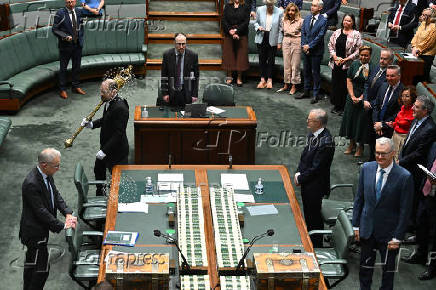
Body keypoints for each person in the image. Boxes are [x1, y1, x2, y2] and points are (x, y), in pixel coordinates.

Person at [352, 137, 414, 290]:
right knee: (365, 271)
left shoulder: (405, 177)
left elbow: (405, 211)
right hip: (367, 230)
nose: (379, 157)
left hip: (389, 235)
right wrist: (356, 226)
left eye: (383, 154)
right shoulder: (366, 168)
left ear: (392, 153)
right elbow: (359, 199)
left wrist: (398, 237)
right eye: (377, 153)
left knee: (388, 274)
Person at [19, 148, 77, 290]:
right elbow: (40, 211)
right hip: (33, 233)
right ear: (44, 165)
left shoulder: (46, 175)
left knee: (33, 266)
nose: (58, 168)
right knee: (40, 271)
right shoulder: (31, 183)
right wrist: (62, 225)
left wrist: (67, 212)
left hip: (39, 231)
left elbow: (55, 195)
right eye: (56, 165)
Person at [81, 79, 129, 196]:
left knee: (118, 181)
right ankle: (100, 194)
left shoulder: (121, 108)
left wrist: (104, 151)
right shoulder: (108, 101)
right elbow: (106, 119)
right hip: (106, 146)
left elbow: (119, 133)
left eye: (104, 92)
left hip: (117, 152)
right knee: (98, 170)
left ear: (114, 91)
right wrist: (92, 124)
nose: (101, 94)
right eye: (101, 91)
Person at [295, 109, 335, 247]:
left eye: (310, 120)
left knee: (314, 218)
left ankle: (316, 246)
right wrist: (298, 172)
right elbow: (305, 156)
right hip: (308, 182)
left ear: (318, 123)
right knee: (309, 215)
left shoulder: (326, 142)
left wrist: (300, 178)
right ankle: (310, 241)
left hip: (315, 187)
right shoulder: (314, 134)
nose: (307, 121)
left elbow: (317, 168)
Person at [398, 95, 436, 229]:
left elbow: (419, 153)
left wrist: (401, 161)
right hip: (405, 164)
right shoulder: (416, 120)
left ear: (425, 111)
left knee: (412, 197)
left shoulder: (430, 128)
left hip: (415, 170)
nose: (413, 108)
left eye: (417, 107)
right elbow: (408, 142)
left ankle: (410, 225)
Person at [403, 142, 436, 281]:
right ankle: (420, 254)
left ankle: (433, 267)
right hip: (427, 192)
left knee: (435, 235)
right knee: (421, 225)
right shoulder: (434, 145)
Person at [339, 46, 373, 158]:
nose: (363, 57)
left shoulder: (372, 68)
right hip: (352, 95)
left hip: (365, 96)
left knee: (361, 122)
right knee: (350, 119)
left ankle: (360, 146)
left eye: (366, 55)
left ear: (370, 56)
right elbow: (349, 80)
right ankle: (351, 144)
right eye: (362, 55)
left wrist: (361, 98)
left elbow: (370, 85)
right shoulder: (354, 64)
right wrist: (352, 95)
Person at [364, 48, 394, 161]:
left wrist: (370, 104)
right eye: (381, 58)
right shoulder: (376, 68)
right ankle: (370, 160)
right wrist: (365, 100)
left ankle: (374, 162)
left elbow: (381, 97)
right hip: (368, 107)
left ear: (391, 61)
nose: (381, 61)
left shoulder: (390, 75)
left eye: (385, 59)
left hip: (376, 111)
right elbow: (367, 83)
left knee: (377, 140)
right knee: (370, 137)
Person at [328, 14, 361, 114]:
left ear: (353, 23)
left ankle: (343, 107)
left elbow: (358, 50)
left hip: (348, 64)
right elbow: (330, 45)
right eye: (345, 20)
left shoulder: (356, 34)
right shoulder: (337, 32)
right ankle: (336, 105)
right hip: (336, 62)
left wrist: (346, 59)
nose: (346, 22)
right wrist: (335, 57)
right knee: (336, 84)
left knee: (344, 85)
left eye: (349, 21)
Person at [52, 0, 86, 99]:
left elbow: (81, 26)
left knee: (76, 66)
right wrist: (65, 36)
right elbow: (54, 29)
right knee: (63, 68)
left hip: (77, 44)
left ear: (75, 2)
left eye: (72, 1)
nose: (70, 4)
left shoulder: (79, 11)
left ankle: (76, 86)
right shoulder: (60, 13)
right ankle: (62, 89)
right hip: (65, 46)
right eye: (68, 2)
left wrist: (81, 38)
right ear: (65, 3)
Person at [296, 0, 327, 104]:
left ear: (320, 8)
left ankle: (315, 94)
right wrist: (304, 46)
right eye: (312, 5)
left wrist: (309, 46)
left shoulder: (323, 20)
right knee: (306, 71)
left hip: (316, 51)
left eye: (314, 6)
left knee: (315, 73)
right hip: (306, 50)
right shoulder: (307, 18)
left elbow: (320, 36)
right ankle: (306, 91)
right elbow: (303, 33)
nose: (312, 7)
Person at [160, 33, 199, 107]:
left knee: (186, 115)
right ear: (174, 43)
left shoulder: (193, 55)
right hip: (172, 90)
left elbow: (196, 77)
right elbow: (164, 75)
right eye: (179, 44)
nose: (181, 47)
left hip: (186, 90)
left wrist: (194, 94)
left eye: (183, 44)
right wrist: (165, 93)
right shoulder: (167, 55)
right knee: (172, 114)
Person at [254, 0, 283, 89]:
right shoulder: (259, 9)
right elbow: (255, 22)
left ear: (274, 3)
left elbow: (281, 28)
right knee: (262, 59)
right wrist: (258, 27)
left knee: (271, 60)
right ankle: (262, 80)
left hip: (273, 38)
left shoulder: (280, 11)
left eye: (271, 5)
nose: (269, 6)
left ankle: (269, 80)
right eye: (267, 4)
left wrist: (279, 42)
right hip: (262, 36)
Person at [222, 0, 251, 86]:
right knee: (229, 56)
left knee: (240, 57)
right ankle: (229, 77)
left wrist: (237, 31)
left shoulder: (246, 6)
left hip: (241, 34)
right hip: (229, 34)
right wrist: (230, 31)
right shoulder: (227, 6)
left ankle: (239, 77)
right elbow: (224, 20)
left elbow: (246, 21)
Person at [277, 2, 303, 95]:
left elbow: (304, 34)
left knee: (295, 65)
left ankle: (294, 85)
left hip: (296, 41)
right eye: (289, 10)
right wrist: (279, 42)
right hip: (286, 40)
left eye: (293, 10)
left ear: (296, 11)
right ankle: (286, 84)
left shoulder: (300, 21)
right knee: (286, 64)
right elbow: (280, 32)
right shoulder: (283, 20)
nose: (291, 12)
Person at [372, 65, 403, 139]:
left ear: (399, 76)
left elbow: (399, 113)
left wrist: (382, 125)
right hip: (376, 125)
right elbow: (376, 105)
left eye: (392, 76)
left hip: (389, 129)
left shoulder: (403, 92)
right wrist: (376, 123)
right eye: (387, 76)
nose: (389, 78)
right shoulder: (383, 85)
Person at [386, 86, 416, 162]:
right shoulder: (402, 107)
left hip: (403, 138)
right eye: (402, 96)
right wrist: (393, 124)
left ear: (412, 97)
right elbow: (398, 121)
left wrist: (396, 123)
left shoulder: (414, 110)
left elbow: (404, 123)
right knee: (391, 157)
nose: (404, 98)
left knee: (399, 160)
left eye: (407, 96)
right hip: (395, 135)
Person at [411, 8, 436, 83]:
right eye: (422, 14)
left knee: (421, 78)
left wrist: (418, 49)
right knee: (413, 75)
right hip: (417, 53)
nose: (423, 17)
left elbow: (429, 42)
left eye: (426, 15)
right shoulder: (423, 24)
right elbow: (416, 36)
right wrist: (414, 46)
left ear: (432, 16)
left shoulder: (434, 27)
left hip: (427, 56)